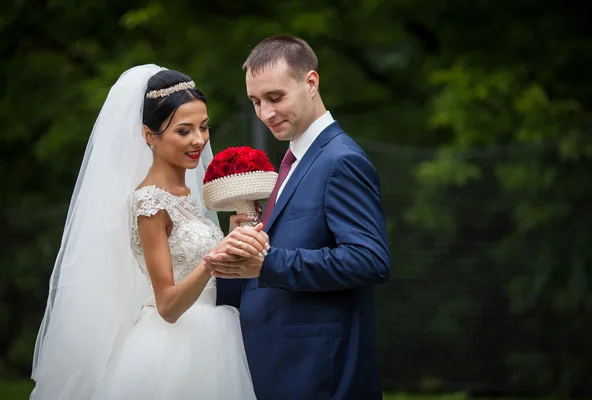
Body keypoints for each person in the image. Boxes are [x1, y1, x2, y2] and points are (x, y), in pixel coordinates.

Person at [30, 64, 265, 399]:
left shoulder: (187, 195)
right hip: (172, 346)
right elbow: (167, 305)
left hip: (213, 336)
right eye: (183, 131)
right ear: (149, 135)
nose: (198, 140)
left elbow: (193, 255)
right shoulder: (149, 203)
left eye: (204, 127)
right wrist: (217, 255)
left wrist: (230, 238)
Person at [207, 36, 391, 399]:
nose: (265, 113)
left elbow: (370, 259)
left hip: (319, 375)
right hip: (276, 366)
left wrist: (266, 262)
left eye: (275, 98)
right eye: (256, 102)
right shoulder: (295, 159)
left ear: (311, 82)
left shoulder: (341, 160)